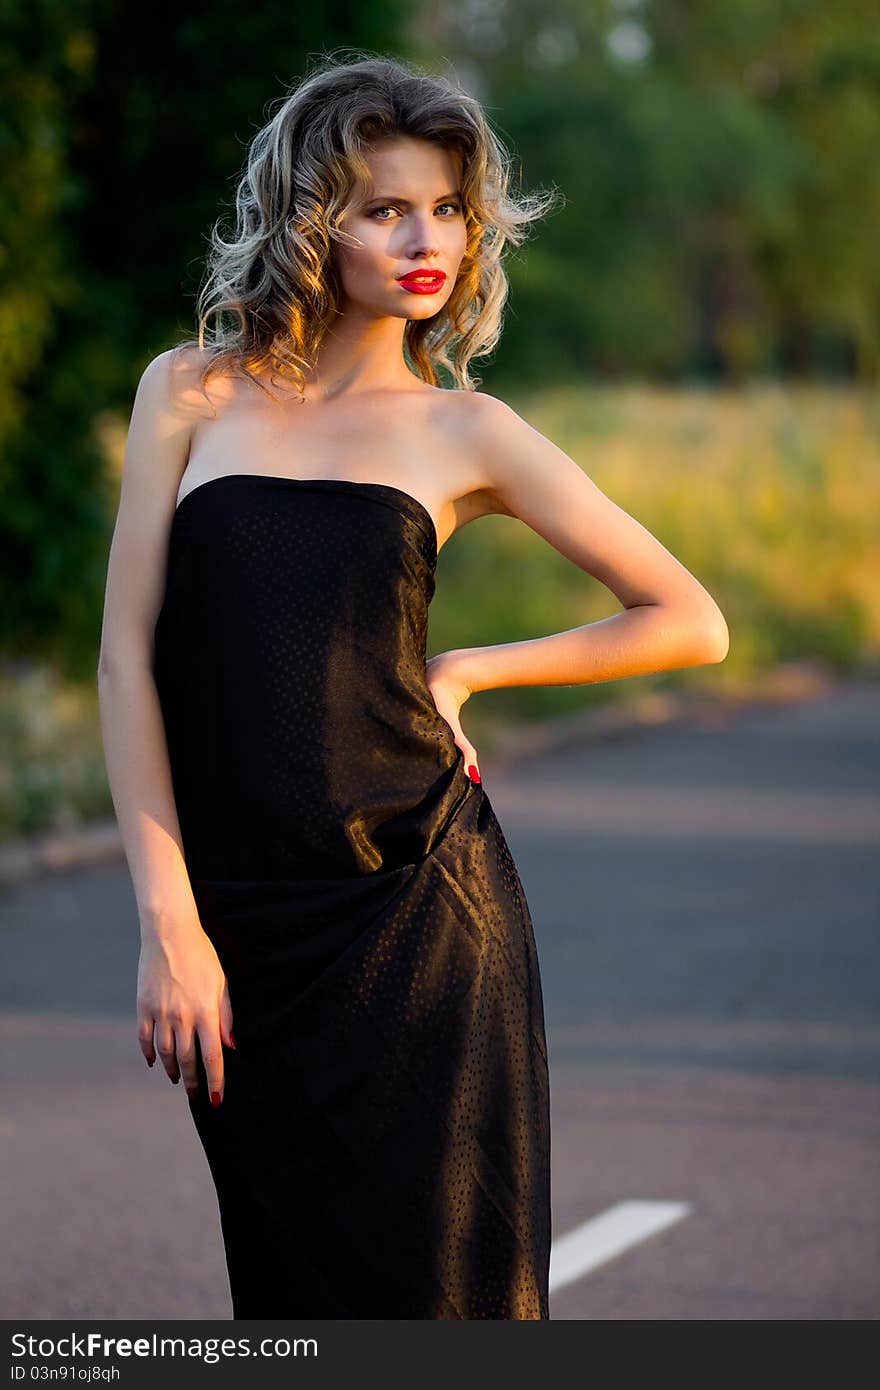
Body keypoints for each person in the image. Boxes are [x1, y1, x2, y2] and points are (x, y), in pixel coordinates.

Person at [96, 51, 729, 1320]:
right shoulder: (190, 390)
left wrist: (471, 666)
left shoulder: (467, 431)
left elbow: (690, 619)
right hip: (247, 929)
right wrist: (172, 923)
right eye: (386, 207)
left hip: (424, 909)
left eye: (447, 209)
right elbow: (127, 658)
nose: (426, 238)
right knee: (287, 1295)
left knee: (449, 1295)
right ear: (312, 215)